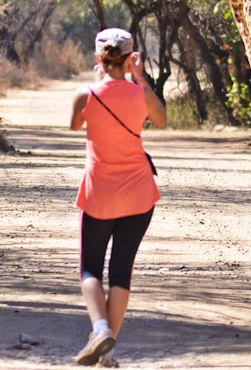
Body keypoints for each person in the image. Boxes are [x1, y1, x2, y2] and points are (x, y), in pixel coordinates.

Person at [69, 28, 167, 366]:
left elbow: (74, 126)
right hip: (139, 195)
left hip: (100, 195)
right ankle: (108, 351)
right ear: (130, 59)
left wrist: (98, 83)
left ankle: (99, 329)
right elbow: (162, 119)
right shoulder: (141, 95)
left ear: (98, 58)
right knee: (122, 270)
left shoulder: (86, 95)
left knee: (90, 268)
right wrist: (139, 79)